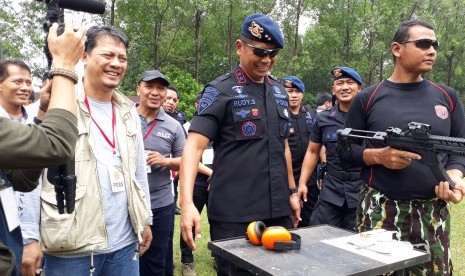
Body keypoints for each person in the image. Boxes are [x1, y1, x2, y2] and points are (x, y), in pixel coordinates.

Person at [22, 25, 153, 276]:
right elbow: (33, 175)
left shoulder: (128, 111)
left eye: (122, 58)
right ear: (84, 56)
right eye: (107, 55)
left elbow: (138, 171)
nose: (116, 64)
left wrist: (145, 219)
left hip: (124, 245)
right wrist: (29, 237)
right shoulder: (58, 104)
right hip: (71, 247)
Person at [338, 19, 465, 275]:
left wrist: (455, 176)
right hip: (379, 211)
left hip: (432, 214)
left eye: (435, 45)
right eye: (423, 43)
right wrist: (379, 156)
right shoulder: (368, 97)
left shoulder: (447, 96)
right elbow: (345, 153)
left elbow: (459, 150)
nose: (432, 51)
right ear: (397, 49)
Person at [179, 13, 300, 276]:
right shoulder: (220, 90)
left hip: (278, 209)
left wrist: (291, 192)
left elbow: (285, 147)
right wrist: (187, 203)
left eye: (273, 53)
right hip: (235, 212)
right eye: (259, 52)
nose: (267, 60)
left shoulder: (280, 92)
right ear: (239, 47)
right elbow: (193, 147)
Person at [0, 19, 85, 276]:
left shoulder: (24, 121)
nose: (26, 87)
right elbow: (57, 145)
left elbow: (23, 180)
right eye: (17, 81)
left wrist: (43, 113)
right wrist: (64, 65)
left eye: (29, 82)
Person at [298, 67, 364, 231]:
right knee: (318, 235)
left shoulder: (369, 117)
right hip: (331, 190)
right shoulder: (323, 118)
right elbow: (312, 152)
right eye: (339, 83)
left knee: (358, 243)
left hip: (361, 190)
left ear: (359, 88)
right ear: (333, 89)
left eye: (350, 83)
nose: (345, 87)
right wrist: (302, 183)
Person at [136, 70, 186, 276]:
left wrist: (165, 161)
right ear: (138, 89)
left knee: (155, 261)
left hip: (160, 204)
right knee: (126, 258)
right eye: (149, 86)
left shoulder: (174, 126)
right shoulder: (123, 118)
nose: (155, 92)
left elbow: (187, 162)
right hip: (126, 203)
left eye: (161, 88)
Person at [179, 92, 213, 276]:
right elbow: (188, 157)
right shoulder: (187, 127)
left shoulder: (219, 126)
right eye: (203, 103)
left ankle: (219, 256)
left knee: (218, 220)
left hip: (218, 183)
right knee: (190, 221)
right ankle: (187, 261)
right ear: (196, 104)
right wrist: (211, 173)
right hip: (197, 182)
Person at [281, 76, 319, 227]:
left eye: (297, 91)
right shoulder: (278, 115)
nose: (294, 95)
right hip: (286, 177)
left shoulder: (311, 114)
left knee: (308, 220)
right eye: (289, 91)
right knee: (287, 220)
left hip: (309, 177)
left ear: (303, 94)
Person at [163, 85, 187, 215]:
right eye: (168, 99)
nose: (170, 102)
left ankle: (173, 205)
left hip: (175, 159)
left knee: (174, 185)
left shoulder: (180, 118)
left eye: (174, 100)